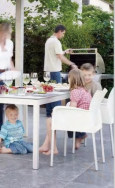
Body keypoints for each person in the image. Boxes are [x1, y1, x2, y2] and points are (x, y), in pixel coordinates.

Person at [39, 25, 77, 155]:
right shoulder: (56, 41)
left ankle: (47, 144)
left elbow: (56, 55)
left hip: (47, 74)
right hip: (54, 73)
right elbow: (59, 57)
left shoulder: (49, 41)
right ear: (60, 32)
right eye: (63, 33)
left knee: (50, 109)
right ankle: (52, 147)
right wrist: (72, 64)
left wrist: (64, 51)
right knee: (54, 110)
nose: (63, 35)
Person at [67, 69, 92, 149]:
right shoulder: (85, 90)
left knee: (67, 118)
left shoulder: (75, 91)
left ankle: (79, 137)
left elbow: (72, 109)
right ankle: (80, 135)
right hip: (87, 115)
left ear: (72, 80)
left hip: (80, 117)